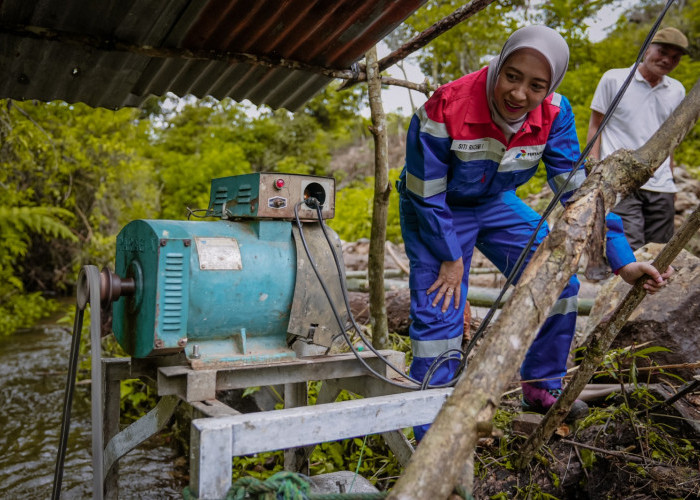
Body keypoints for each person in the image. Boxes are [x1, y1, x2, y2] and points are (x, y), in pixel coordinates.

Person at [396, 25, 672, 442]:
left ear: (552, 85)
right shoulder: (446, 105)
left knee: (558, 281)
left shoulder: (556, 113)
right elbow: (426, 191)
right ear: (498, 67)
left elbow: (578, 194)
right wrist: (451, 258)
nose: (519, 94)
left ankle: (542, 389)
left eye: (536, 85)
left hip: (495, 202)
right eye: (512, 76)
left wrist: (623, 259)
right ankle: (431, 433)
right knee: (442, 309)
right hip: (436, 208)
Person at [587, 27, 688, 250]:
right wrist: (594, 168)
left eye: (675, 57)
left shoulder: (677, 91)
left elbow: (670, 139)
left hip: (661, 185)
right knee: (628, 247)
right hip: (621, 180)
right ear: (647, 49)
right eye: (662, 52)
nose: (667, 60)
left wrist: (670, 176)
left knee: (658, 251)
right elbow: (596, 126)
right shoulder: (614, 79)